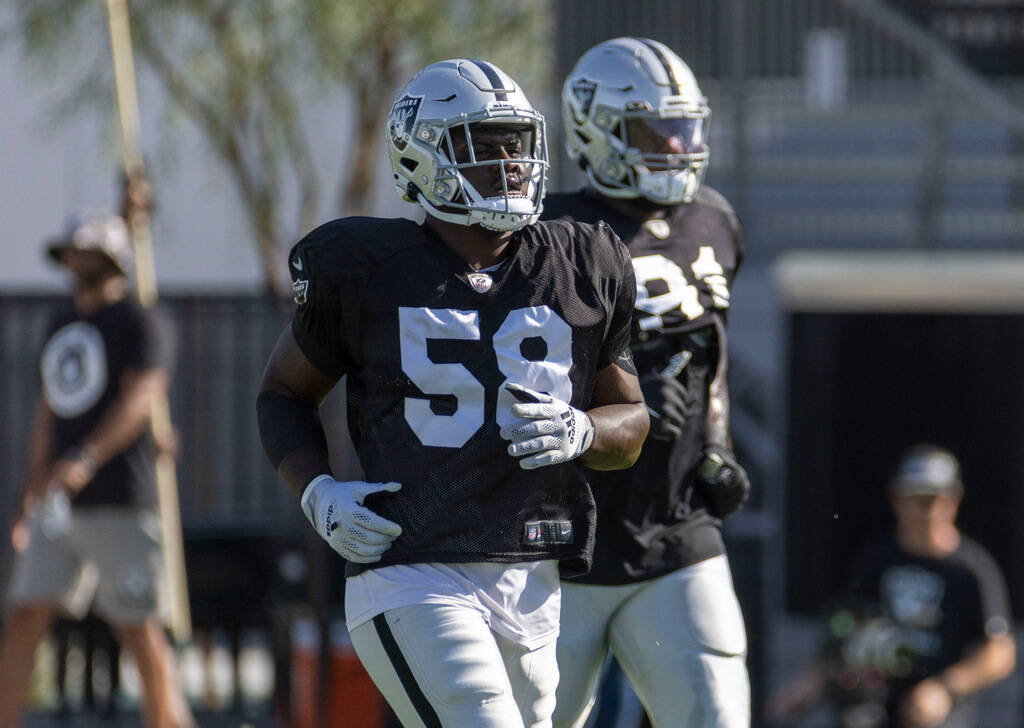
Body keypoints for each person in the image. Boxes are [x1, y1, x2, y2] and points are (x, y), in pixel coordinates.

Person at [256, 58, 649, 728]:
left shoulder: (580, 263)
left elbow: (633, 420)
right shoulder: (368, 269)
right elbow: (282, 395)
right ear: (421, 155)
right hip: (410, 568)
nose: (511, 162)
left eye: (517, 143)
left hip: (531, 570)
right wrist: (317, 494)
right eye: (484, 145)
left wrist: (586, 430)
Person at [540, 37, 751, 728]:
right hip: (559, 543)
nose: (672, 144)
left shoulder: (713, 221)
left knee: (716, 717)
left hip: (675, 533)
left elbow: (711, 353)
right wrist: (610, 408)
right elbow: (507, 376)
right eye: (649, 129)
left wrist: (716, 445)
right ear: (594, 129)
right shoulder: (548, 233)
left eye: (682, 126)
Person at [0, 210, 192, 728]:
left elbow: (142, 397)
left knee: (137, 628)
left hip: (121, 500)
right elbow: (50, 406)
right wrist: (31, 486)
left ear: (109, 258)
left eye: (85, 251)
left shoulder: (141, 320)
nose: (74, 260)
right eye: (72, 251)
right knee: (24, 617)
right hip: (58, 506)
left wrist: (83, 459)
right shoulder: (61, 321)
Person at [768, 444, 1016, 728]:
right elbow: (845, 626)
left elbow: (999, 652)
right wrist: (808, 685)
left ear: (953, 501)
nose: (926, 511)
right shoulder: (877, 558)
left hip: (936, 713)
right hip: (873, 703)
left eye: (933, 499)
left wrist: (944, 689)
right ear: (897, 501)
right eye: (915, 499)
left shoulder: (972, 570)